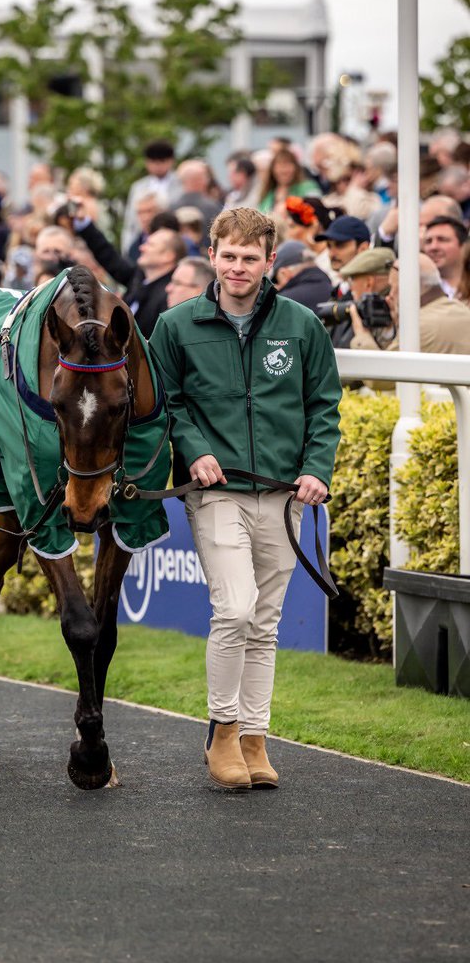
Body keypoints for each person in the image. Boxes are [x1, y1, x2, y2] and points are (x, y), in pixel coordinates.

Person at [150, 208, 341, 791]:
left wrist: (316, 469)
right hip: (216, 491)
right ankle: (223, 730)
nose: (238, 267)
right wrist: (194, 448)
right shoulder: (176, 325)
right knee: (233, 607)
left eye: (249, 258)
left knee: (264, 621)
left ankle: (257, 738)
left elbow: (324, 406)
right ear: (211, 256)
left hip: (285, 496)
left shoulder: (302, 324)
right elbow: (167, 402)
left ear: (269, 262)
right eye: (228, 256)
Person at [271, 241, 332, 311]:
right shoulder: (335, 290)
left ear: (284, 273)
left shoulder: (281, 302)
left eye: (276, 280)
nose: (278, 286)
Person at [422, 216, 468, 297]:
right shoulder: (417, 290)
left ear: (463, 246)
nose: (433, 247)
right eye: (428, 241)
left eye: (442, 240)